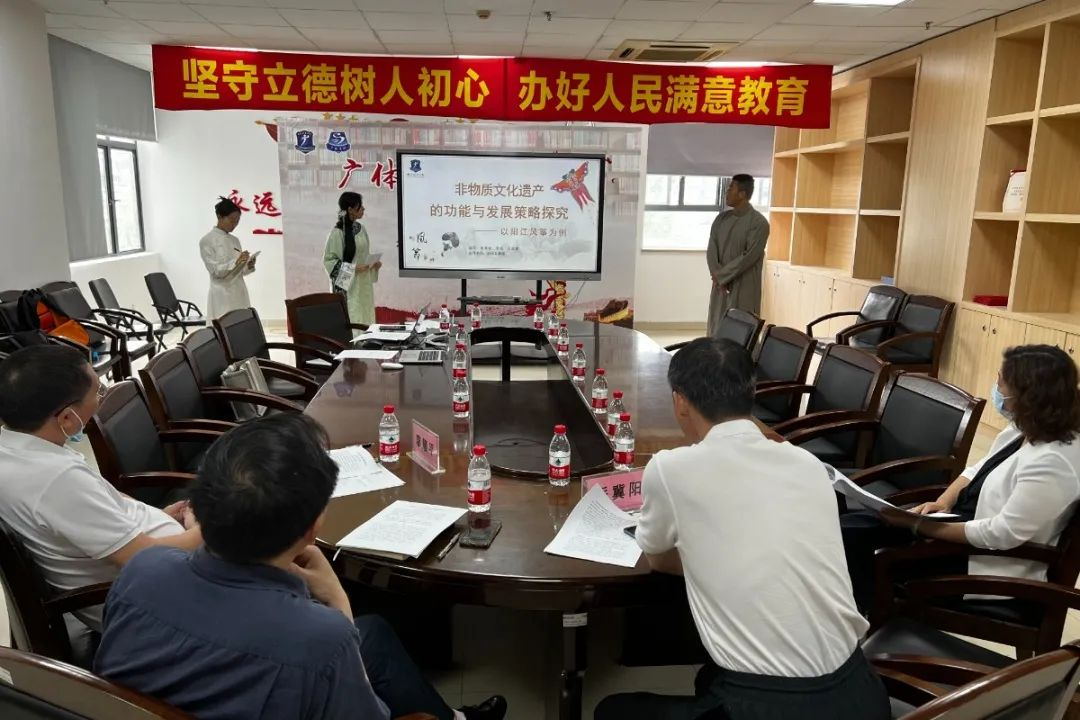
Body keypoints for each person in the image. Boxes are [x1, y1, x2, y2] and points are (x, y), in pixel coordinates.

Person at [94, 413, 506, 720]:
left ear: (200, 507)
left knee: (375, 634)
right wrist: (338, 603)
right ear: (312, 529)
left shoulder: (142, 570)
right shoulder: (323, 641)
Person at [596, 338, 888, 720]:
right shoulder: (807, 464)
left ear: (680, 401)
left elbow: (657, 557)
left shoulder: (671, 469)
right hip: (861, 691)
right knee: (709, 677)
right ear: (751, 394)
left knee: (611, 710)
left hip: (768, 708)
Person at [841, 344, 1080, 611]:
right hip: (961, 528)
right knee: (851, 526)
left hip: (982, 563)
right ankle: (857, 612)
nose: (996, 389)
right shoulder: (1024, 429)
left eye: (1001, 382)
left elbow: (1001, 535)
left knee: (855, 542)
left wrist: (918, 525)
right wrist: (943, 501)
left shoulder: (1054, 461)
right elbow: (976, 470)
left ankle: (864, 616)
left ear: (1027, 396)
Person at [0, 345, 201, 637]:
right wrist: (203, 531)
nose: (101, 398)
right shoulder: (57, 479)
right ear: (67, 418)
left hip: (148, 570)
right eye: (98, 392)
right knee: (260, 541)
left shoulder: (14, 447)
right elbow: (144, 559)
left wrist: (159, 516)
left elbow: (99, 503)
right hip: (152, 601)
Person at [706, 174, 770, 338]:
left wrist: (722, 276)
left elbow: (749, 256)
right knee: (716, 326)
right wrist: (717, 274)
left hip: (744, 285)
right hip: (720, 286)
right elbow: (712, 248)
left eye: (730, 188)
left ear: (742, 194)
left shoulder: (759, 223)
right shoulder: (721, 219)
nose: (726, 192)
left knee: (741, 331)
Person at [325, 191, 382, 326]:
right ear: (350, 209)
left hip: (363, 282)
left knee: (365, 313)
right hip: (348, 284)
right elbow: (329, 261)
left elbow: (364, 255)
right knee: (353, 314)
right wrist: (353, 268)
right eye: (360, 206)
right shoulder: (337, 233)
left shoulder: (361, 229)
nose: (363, 209)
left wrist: (373, 265)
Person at [200, 196, 255, 319]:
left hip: (239, 292)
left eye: (237, 221)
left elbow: (240, 271)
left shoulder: (235, 240)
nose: (234, 224)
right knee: (224, 326)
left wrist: (248, 265)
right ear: (220, 217)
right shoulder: (207, 241)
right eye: (232, 220)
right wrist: (236, 261)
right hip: (222, 295)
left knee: (242, 324)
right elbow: (215, 271)